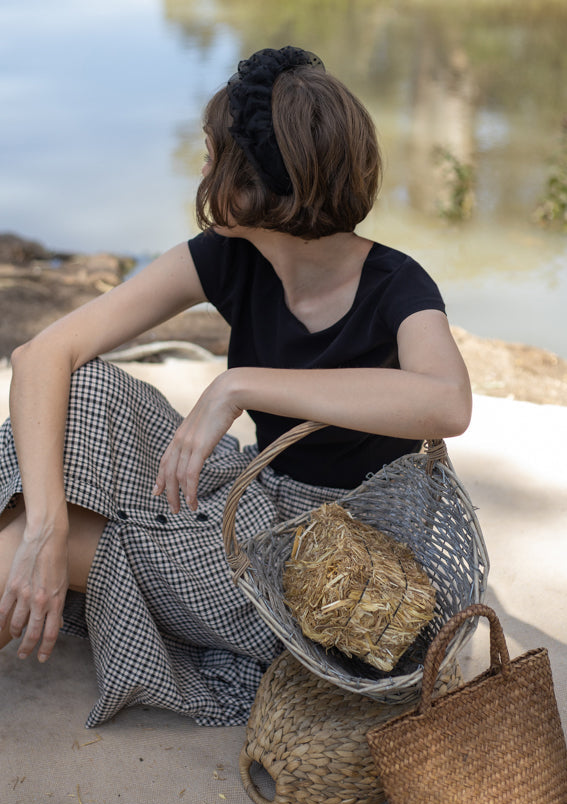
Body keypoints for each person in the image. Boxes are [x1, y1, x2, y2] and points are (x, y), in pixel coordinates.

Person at [0, 47, 471, 727]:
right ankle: (43, 539)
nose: (200, 169)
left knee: (41, 538)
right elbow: (44, 354)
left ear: (256, 188)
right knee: (81, 398)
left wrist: (239, 386)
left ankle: (45, 548)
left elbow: (446, 402)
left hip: (329, 573)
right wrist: (45, 524)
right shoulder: (229, 257)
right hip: (253, 494)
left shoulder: (396, 285)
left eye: (211, 153)